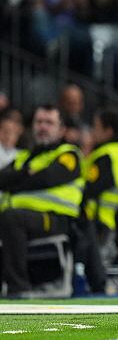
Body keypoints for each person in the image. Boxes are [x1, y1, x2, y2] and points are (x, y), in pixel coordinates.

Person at [0, 105, 83, 297]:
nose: (43, 127)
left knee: (12, 218)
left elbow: (48, 178)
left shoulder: (69, 154)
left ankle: (18, 287)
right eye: (39, 122)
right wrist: (26, 173)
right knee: (11, 217)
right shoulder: (24, 157)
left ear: (61, 129)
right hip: (23, 218)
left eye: (49, 122)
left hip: (56, 220)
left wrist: (16, 181)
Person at [79, 107, 118, 292]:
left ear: (108, 131)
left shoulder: (105, 155)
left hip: (103, 221)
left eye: (96, 127)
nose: (92, 131)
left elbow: (88, 189)